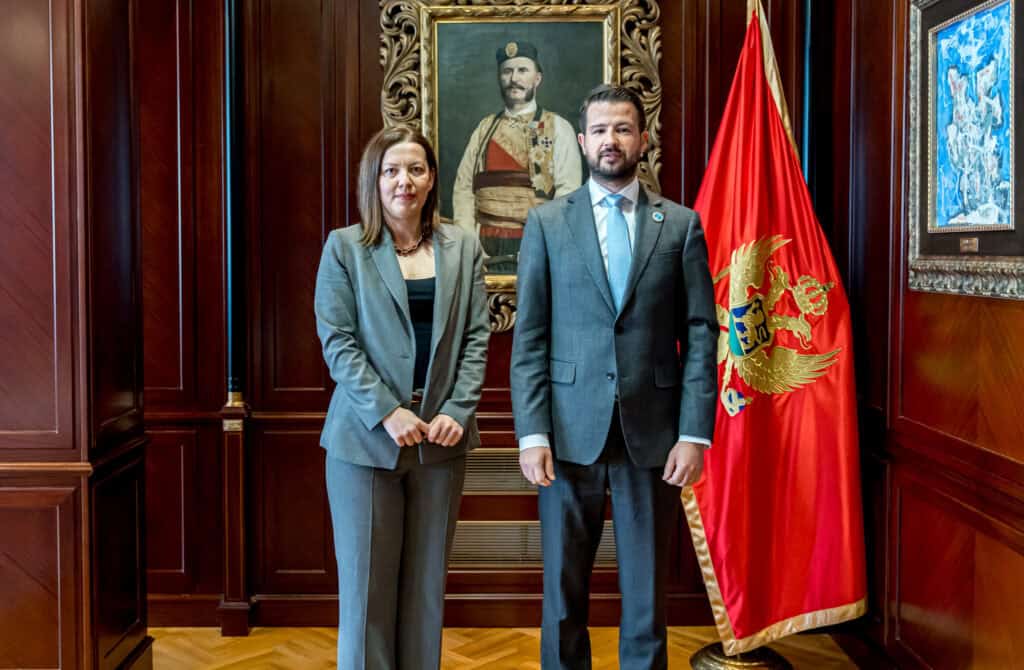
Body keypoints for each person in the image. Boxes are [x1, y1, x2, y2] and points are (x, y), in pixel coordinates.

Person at [510, 85, 718, 669]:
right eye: (600, 130)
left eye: (623, 129)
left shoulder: (680, 225)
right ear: (582, 141)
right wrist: (531, 433)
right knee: (562, 597)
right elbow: (530, 337)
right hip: (566, 436)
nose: (611, 140)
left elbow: (701, 332)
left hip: (653, 438)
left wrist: (694, 434)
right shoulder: (548, 223)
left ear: (642, 140)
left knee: (647, 599)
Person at [315, 126, 490, 670]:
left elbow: (476, 338)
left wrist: (458, 409)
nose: (403, 181)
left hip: (441, 441)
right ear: (374, 179)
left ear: (432, 178)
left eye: (415, 169)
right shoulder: (345, 248)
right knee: (366, 597)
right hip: (365, 442)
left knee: (424, 593)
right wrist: (388, 411)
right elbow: (338, 342)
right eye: (391, 170)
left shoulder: (463, 247)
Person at [452, 40, 583, 273]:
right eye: (507, 71)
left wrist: (542, 245)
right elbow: (463, 188)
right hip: (483, 250)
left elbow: (568, 194)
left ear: (537, 78)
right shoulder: (484, 128)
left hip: (539, 246)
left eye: (523, 70)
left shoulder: (559, 128)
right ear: (499, 78)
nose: (514, 78)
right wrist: (470, 245)